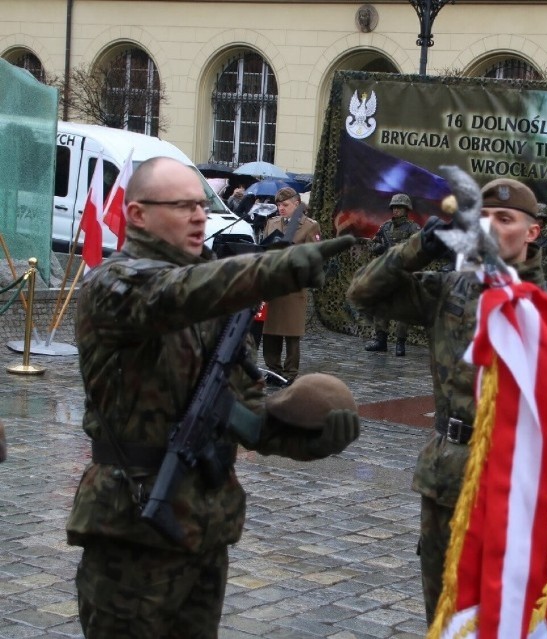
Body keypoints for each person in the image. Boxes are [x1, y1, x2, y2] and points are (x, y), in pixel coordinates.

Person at [67, 156, 359, 638]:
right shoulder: (114, 284)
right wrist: (268, 268)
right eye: (182, 206)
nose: (200, 216)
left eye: (202, 205)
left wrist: (309, 438)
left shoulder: (218, 301)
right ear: (138, 215)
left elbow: (244, 413)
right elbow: (172, 293)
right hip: (132, 524)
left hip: (204, 524)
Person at [346, 178, 547, 624]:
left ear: (532, 232)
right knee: (445, 614)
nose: (490, 227)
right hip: (448, 478)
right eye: (482, 218)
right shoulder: (450, 291)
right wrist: (420, 244)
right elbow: (363, 293)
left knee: (506, 618)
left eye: (504, 219)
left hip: (518, 486)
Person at [260, 187, 321, 386]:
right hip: (273, 284)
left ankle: (290, 372)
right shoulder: (272, 223)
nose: (281, 209)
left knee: (291, 332)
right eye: (278, 205)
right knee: (270, 331)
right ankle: (273, 369)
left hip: (294, 286)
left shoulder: (309, 226)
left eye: (285, 205)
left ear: (297, 204)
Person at [364, 193, 421, 355]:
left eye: (400, 208)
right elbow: (373, 244)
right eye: (394, 207)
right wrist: (378, 249)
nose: (396, 210)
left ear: (406, 209)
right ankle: (381, 340)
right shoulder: (385, 227)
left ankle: (400, 343)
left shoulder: (413, 228)